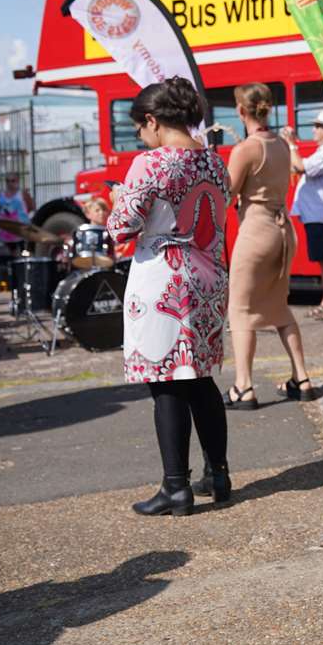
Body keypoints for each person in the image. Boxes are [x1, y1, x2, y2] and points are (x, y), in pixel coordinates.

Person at [106, 77, 232, 515]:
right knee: (201, 379)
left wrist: (117, 199)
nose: (141, 137)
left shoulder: (151, 164)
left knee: (167, 383)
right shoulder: (216, 163)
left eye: (141, 129)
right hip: (210, 276)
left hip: (164, 278)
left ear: (153, 121)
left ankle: (174, 487)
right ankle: (218, 474)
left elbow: (121, 226)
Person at [223, 83, 313, 411]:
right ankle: (301, 378)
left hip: (257, 230)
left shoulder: (246, 149)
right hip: (283, 230)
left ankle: (243, 387)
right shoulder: (279, 144)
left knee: (241, 310)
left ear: (241, 111)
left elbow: (227, 194)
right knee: (280, 307)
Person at [281, 109, 323, 320]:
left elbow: (299, 166)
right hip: (317, 213)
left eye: (318, 126)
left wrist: (291, 144)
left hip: (321, 213)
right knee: (322, 260)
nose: (314, 130)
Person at [0, 173, 34, 256]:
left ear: (17, 181)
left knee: (23, 251)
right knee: (11, 253)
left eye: (13, 181)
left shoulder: (22, 194)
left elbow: (31, 206)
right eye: (7, 181)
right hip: (8, 229)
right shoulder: (2, 194)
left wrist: (22, 216)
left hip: (21, 227)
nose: (10, 183)